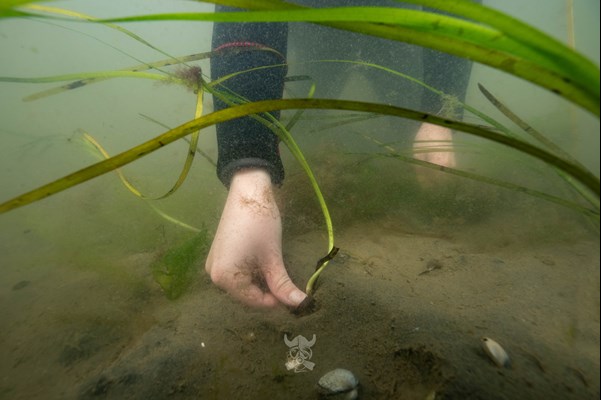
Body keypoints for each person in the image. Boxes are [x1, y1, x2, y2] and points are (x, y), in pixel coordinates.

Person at [205, 2, 475, 309]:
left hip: (395, 27)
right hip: (316, 30)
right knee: (305, 133)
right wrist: (250, 171)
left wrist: (439, 114)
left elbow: (459, 10)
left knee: (413, 145)